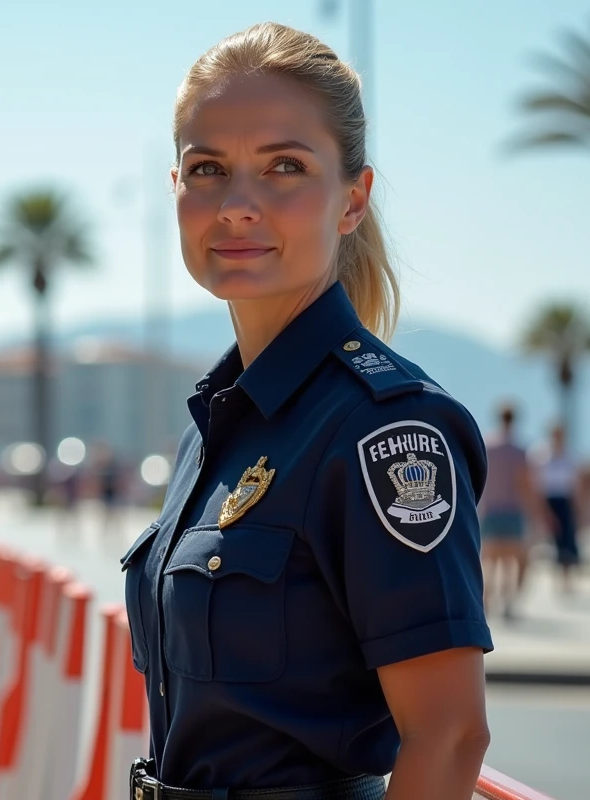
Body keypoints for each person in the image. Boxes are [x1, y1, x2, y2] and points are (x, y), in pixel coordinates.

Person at [121, 23, 492, 800]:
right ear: (177, 188)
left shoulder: (382, 430)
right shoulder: (214, 428)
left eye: (285, 166)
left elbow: (450, 736)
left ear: (352, 199)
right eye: (207, 169)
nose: (238, 206)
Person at [477, 402, 545, 622]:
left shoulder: (486, 445)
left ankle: (486, 600)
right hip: (512, 510)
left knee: (488, 560)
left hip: (489, 509)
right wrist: (535, 516)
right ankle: (507, 602)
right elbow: (526, 486)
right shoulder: (520, 450)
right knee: (511, 561)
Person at [533, 424, 581, 594]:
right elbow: (537, 486)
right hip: (549, 500)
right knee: (552, 542)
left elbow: (575, 485)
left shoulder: (570, 456)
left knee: (569, 542)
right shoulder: (541, 455)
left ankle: (567, 581)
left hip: (565, 501)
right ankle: (556, 581)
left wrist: (578, 509)